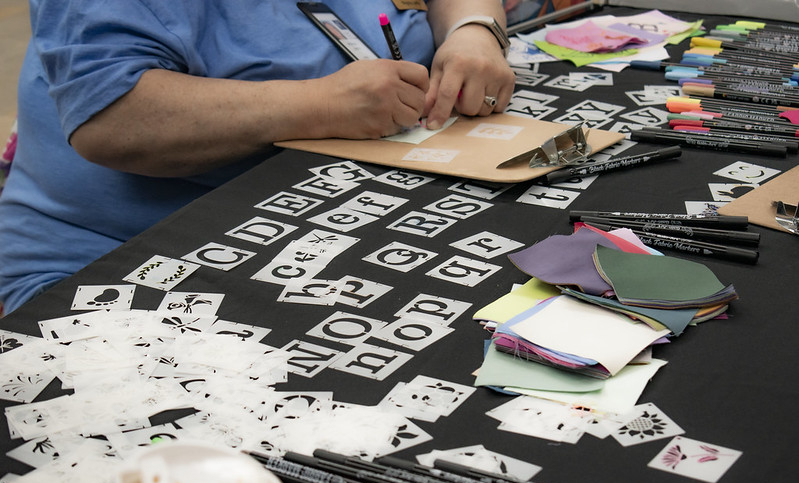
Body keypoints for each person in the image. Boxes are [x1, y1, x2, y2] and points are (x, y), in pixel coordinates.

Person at [0, 0, 515, 315]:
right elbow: (113, 119)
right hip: (136, 251)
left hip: (336, 215)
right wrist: (319, 105)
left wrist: (473, 28)